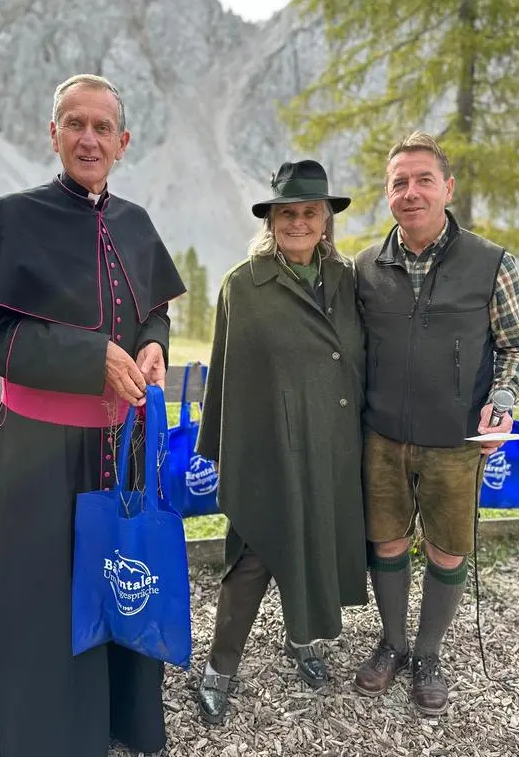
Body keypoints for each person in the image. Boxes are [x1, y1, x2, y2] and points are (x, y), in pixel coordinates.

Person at [0, 74, 186, 757]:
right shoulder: (12, 218)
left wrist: (153, 342)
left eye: (103, 127)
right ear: (53, 134)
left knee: (119, 584)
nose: (88, 138)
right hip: (40, 456)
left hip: (118, 448)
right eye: (75, 123)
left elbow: (153, 306)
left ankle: (115, 721)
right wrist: (91, 356)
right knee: (43, 606)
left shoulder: (135, 223)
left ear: (123, 142)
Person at [353, 131, 519, 715]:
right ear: (389, 194)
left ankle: (429, 654)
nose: (411, 193)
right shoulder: (364, 268)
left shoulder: (491, 263)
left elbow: (518, 349)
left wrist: (503, 399)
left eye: (423, 180)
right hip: (381, 435)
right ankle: (392, 642)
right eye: (399, 183)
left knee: (447, 550)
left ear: (447, 188)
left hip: (457, 441)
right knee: (385, 539)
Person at [194, 160, 368, 725]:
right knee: (252, 558)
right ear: (271, 220)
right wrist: (227, 453)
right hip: (269, 448)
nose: (298, 222)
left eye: (309, 212)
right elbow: (226, 374)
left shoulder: (346, 281)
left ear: (326, 220)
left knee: (314, 540)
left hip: (330, 443)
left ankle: (304, 641)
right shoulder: (245, 286)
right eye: (286, 213)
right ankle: (219, 669)